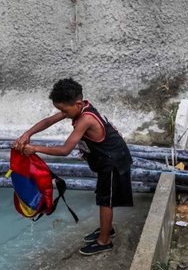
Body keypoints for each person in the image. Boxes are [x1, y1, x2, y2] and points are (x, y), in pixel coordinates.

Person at [13, 78, 133, 256]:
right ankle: (106, 230)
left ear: (77, 104)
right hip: (106, 160)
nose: (62, 113)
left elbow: (64, 150)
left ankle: (104, 240)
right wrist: (27, 134)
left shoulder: (85, 119)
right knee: (103, 196)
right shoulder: (78, 109)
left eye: (63, 110)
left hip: (113, 162)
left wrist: (35, 148)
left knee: (105, 200)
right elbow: (48, 121)